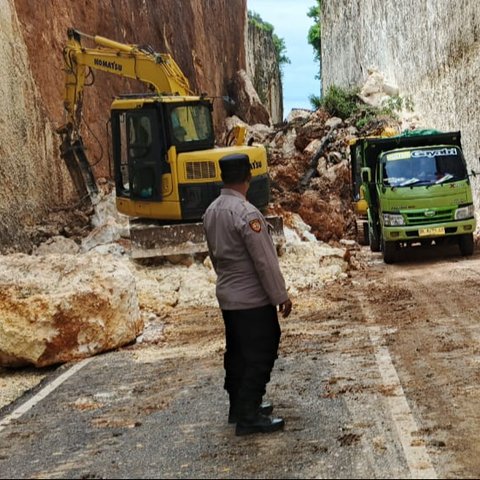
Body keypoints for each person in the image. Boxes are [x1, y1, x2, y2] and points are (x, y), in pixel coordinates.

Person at [203, 153, 292, 436]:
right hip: (252, 299)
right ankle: (249, 414)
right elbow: (264, 261)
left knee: (238, 353)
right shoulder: (247, 214)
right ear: (248, 178)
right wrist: (280, 295)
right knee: (261, 353)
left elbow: (214, 257)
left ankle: (238, 406)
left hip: (229, 296)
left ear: (222, 178)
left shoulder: (212, 211)